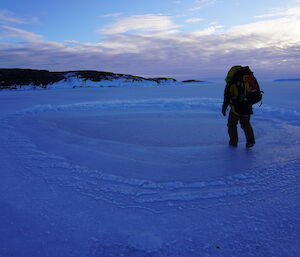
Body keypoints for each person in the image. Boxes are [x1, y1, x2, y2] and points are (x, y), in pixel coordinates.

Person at [222, 66, 261, 148]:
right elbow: (257, 95)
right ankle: (250, 140)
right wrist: (248, 102)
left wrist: (224, 107)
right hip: (247, 107)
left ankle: (233, 142)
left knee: (232, 124)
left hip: (235, 107)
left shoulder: (233, 79)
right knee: (246, 124)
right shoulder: (250, 78)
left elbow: (227, 94)